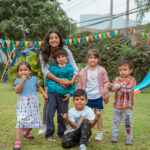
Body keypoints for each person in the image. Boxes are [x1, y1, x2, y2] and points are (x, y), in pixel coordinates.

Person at [38, 29, 78, 135]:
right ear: (48, 40)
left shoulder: (66, 51)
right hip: (51, 81)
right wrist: (58, 80)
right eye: (51, 38)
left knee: (63, 103)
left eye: (56, 37)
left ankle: (64, 126)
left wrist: (70, 82)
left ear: (60, 39)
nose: (54, 40)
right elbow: (45, 71)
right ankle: (45, 125)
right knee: (48, 103)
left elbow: (75, 68)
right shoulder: (43, 52)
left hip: (65, 83)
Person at [13, 62, 48, 150]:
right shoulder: (17, 81)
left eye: (25, 70)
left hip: (33, 103)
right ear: (18, 72)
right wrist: (22, 81)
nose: (23, 72)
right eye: (21, 70)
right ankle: (17, 141)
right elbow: (17, 91)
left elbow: (38, 87)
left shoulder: (34, 79)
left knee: (34, 120)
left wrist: (44, 93)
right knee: (20, 121)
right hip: (23, 104)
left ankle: (27, 132)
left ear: (30, 71)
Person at [77, 49, 109, 141]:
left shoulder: (102, 70)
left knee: (97, 115)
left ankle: (99, 132)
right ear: (87, 59)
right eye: (91, 57)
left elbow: (106, 82)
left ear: (98, 59)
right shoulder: (83, 71)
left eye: (95, 58)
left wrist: (105, 93)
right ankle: (87, 133)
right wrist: (79, 95)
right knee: (86, 116)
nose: (93, 60)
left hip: (98, 96)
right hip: (87, 97)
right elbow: (79, 83)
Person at [45, 47, 76, 141]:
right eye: (59, 57)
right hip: (52, 94)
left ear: (66, 57)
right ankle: (49, 134)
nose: (61, 58)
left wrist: (70, 94)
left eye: (63, 56)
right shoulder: (52, 67)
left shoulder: (70, 69)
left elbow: (72, 82)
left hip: (63, 96)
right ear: (55, 59)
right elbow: (47, 79)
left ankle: (61, 133)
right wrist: (46, 92)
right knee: (49, 114)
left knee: (63, 115)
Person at [107, 60, 136, 145]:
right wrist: (110, 87)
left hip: (127, 107)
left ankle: (129, 138)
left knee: (127, 123)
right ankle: (114, 136)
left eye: (124, 69)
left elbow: (128, 89)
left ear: (131, 70)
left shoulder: (132, 80)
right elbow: (113, 89)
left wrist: (118, 86)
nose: (122, 71)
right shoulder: (117, 79)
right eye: (120, 70)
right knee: (116, 121)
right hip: (116, 106)